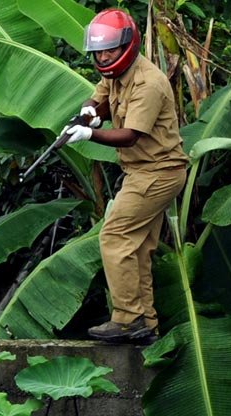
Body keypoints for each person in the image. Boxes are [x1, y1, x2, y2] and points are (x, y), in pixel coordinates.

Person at [63, 8, 189, 343]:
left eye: (110, 51)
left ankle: (127, 319)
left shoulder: (149, 82)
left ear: (128, 46)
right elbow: (101, 95)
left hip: (158, 172)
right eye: (99, 52)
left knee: (115, 236)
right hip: (142, 171)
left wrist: (90, 135)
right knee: (138, 247)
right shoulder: (116, 73)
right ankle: (145, 324)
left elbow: (130, 134)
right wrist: (89, 111)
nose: (103, 57)